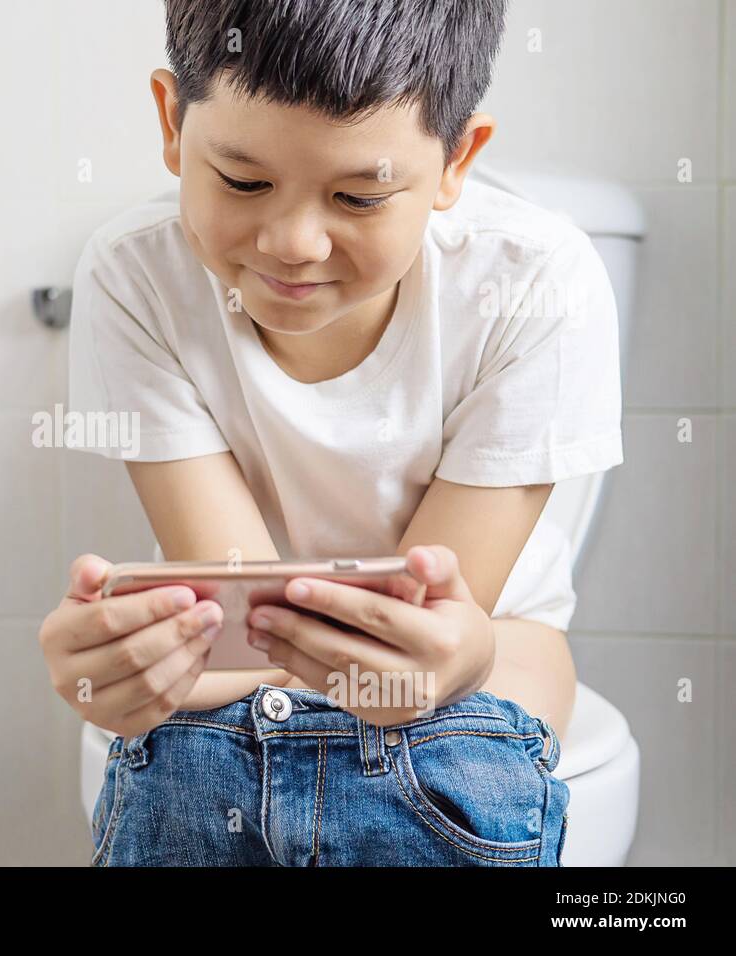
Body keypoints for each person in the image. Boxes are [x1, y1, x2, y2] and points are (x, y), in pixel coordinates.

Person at [38, 0, 622, 866]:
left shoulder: (535, 279)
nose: (292, 243)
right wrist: (126, 666)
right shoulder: (135, 276)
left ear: (457, 161)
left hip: (476, 654)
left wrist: (458, 657)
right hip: (253, 645)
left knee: (456, 740)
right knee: (185, 758)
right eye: (242, 182)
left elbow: (419, 628)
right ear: (171, 121)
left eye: (358, 196)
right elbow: (246, 603)